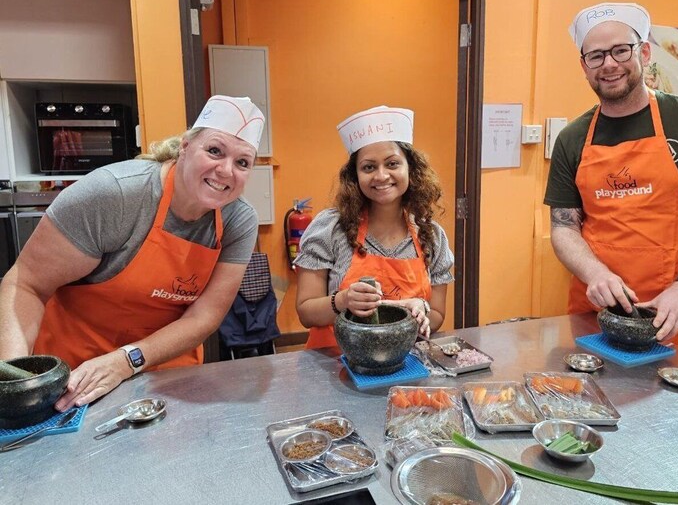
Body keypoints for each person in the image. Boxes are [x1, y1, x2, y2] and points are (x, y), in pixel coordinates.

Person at [0, 95, 264, 409]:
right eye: (214, 150)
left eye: (242, 162)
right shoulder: (115, 195)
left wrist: (127, 360)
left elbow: (205, 316)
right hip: (74, 375)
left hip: (163, 377)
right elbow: (26, 283)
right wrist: (18, 384)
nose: (225, 170)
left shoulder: (239, 220)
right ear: (184, 147)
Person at [545, 2, 678, 366]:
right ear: (584, 66)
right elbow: (564, 227)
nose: (609, 64)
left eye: (621, 50)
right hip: (601, 319)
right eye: (596, 55)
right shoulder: (573, 139)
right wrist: (596, 274)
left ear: (645, 52)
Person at [295, 105, 454, 349]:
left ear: (410, 169)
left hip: (403, 364)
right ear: (355, 175)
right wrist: (344, 300)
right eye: (369, 167)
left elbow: (438, 317)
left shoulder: (431, 236)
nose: (381, 176)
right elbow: (306, 312)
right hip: (333, 364)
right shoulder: (330, 228)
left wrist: (420, 311)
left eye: (392, 164)